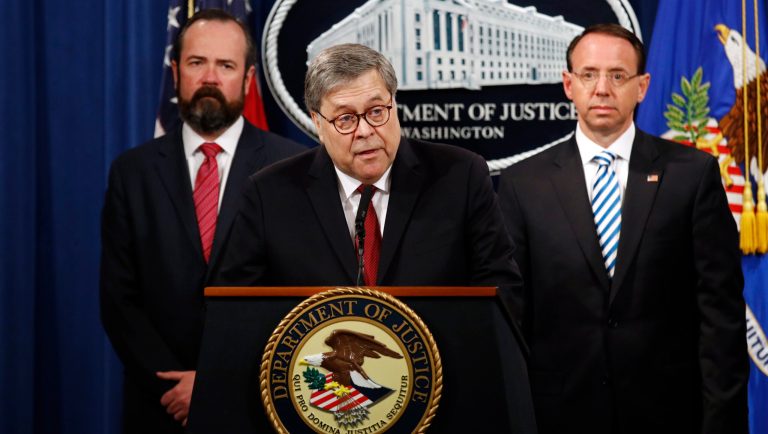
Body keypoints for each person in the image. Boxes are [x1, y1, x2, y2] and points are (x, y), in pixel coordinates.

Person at [498, 23, 748, 433]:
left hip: (669, 415)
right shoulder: (522, 184)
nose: (602, 89)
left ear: (643, 86)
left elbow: (720, 316)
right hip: (559, 416)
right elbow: (511, 318)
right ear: (568, 83)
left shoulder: (692, 175)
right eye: (589, 74)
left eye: (618, 75)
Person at [99, 9, 305, 433]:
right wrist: (173, 386)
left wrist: (219, 382)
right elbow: (119, 300)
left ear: (247, 80)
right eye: (197, 62)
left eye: (226, 65)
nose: (210, 77)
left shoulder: (292, 169)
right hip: (159, 405)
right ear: (176, 72)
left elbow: (294, 294)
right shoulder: (131, 172)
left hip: (257, 404)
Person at [213, 42, 520, 289]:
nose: (365, 131)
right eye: (345, 118)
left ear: (394, 104)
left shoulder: (461, 177)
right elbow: (241, 309)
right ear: (318, 123)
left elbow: (499, 291)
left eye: (376, 111)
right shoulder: (271, 195)